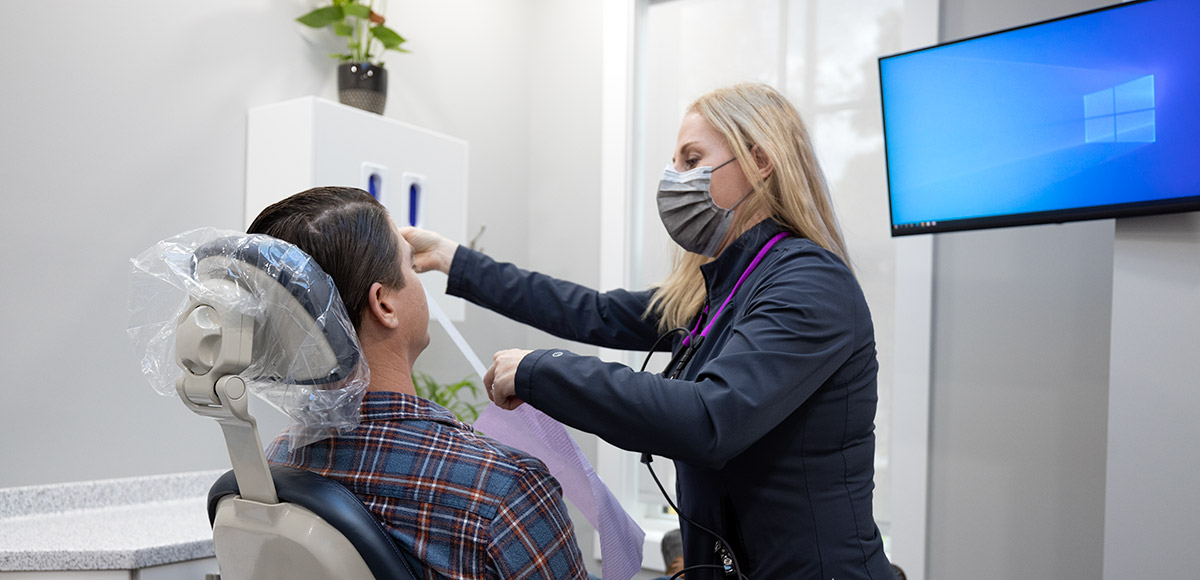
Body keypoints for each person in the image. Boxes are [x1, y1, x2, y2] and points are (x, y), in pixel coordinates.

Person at [404, 83, 893, 579]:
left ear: (760, 161)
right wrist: (451, 258)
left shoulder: (808, 283)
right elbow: (590, 311)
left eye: (692, 158)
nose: (674, 177)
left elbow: (708, 420)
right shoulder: (719, 292)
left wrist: (540, 371)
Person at [248, 187, 588, 580]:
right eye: (410, 266)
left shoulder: (274, 466)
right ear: (384, 305)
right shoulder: (503, 491)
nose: (418, 279)